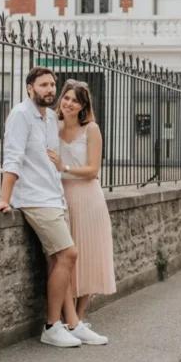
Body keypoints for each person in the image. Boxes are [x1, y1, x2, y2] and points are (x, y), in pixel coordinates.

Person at [0, 67, 105, 347]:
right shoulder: (21, 115)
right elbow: (13, 157)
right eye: (43, 85)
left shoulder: (48, 118)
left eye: (53, 85)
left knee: (57, 260)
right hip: (35, 199)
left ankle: (72, 324)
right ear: (30, 87)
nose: (50, 90)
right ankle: (52, 325)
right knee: (69, 253)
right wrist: (5, 198)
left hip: (54, 197)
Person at [47, 79, 116, 336]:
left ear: (83, 106)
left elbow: (92, 170)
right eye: (66, 98)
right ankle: (69, 319)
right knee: (64, 258)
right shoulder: (53, 126)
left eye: (75, 100)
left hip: (88, 197)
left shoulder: (92, 129)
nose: (68, 103)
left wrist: (63, 168)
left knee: (88, 255)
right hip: (60, 197)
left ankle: (79, 319)